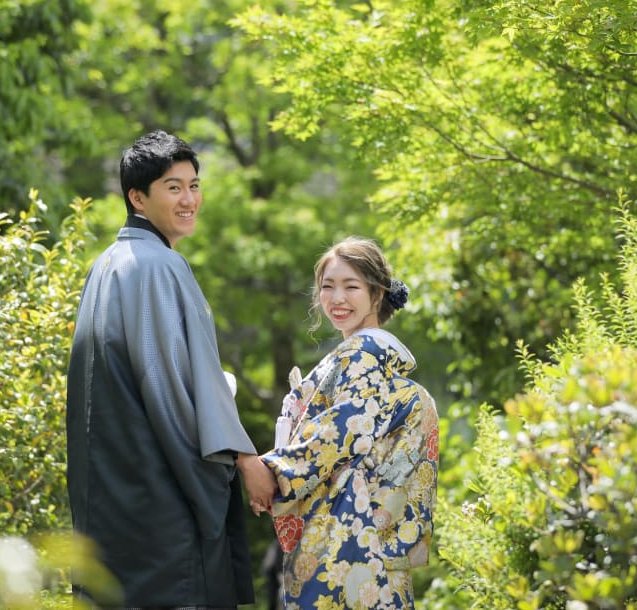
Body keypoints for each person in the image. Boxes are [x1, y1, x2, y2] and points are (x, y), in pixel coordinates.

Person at [66, 130, 277, 608]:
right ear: (137, 197)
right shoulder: (159, 266)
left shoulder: (108, 265)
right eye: (173, 187)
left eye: (194, 185)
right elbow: (176, 389)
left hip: (115, 506)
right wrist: (244, 459)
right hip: (161, 509)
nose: (189, 199)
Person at [258, 237, 439, 610]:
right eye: (328, 286)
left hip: (344, 539)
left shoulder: (362, 355)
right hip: (377, 544)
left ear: (377, 295)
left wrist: (267, 471)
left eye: (351, 286)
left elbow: (336, 436)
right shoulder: (376, 361)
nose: (337, 298)